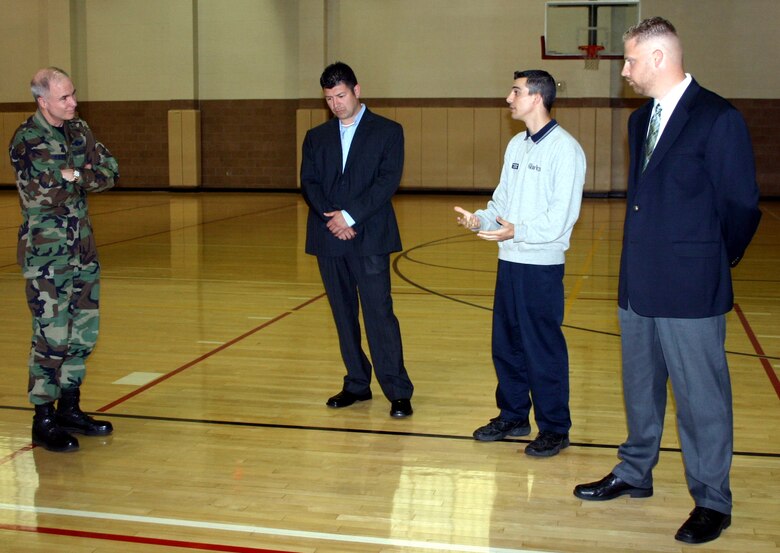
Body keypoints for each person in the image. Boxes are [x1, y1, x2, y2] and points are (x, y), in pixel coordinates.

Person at [572, 18, 762, 544]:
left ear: (659, 57)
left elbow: (741, 205)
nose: (626, 72)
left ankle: (711, 499)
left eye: (631, 61)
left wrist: (712, 258)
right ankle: (635, 472)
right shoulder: (641, 122)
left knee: (701, 398)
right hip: (638, 282)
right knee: (640, 388)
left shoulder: (717, 117)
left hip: (691, 285)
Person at [454, 70, 585, 457]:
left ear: (537, 97)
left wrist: (517, 231)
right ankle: (513, 416)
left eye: (516, 91)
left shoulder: (566, 150)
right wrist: (481, 219)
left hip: (541, 266)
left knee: (541, 348)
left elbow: (562, 217)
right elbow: (502, 205)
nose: (508, 98)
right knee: (506, 345)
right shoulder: (516, 145)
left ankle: (555, 429)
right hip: (509, 261)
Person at [9, 67, 119, 453]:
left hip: (82, 250)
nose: (73, 103)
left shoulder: (80, 130)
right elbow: (42, 194)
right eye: (65, 98)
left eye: (73, 95)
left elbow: (109, 171)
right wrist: (76, 176)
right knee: (51, 337)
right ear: (43, 101)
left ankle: (70, 407)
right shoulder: (27, 139)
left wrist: (75, 175)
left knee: (83, 333)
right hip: (47, 255)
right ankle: (44, 418)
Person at [300, 62, 414, 418]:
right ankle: (356, 384)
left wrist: (349, 216)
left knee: (379, 313)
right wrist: (331, 217)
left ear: (357, 90)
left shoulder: (388, 131)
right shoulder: (316, 137)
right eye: (329, 98)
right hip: (328, 237)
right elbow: (310, 182)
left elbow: (386, 181)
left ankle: (397, 389)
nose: (336, 104)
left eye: (341, 95)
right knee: (343, 314)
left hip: (370, 237)